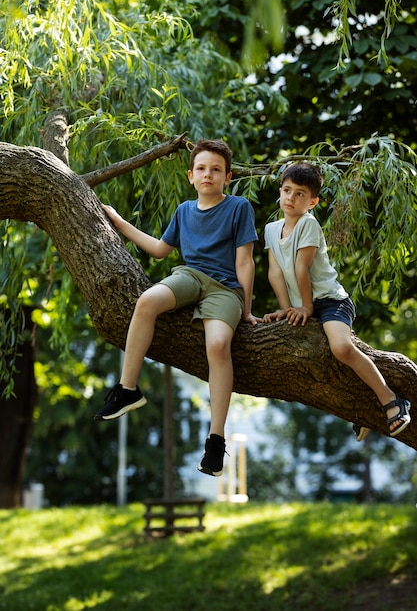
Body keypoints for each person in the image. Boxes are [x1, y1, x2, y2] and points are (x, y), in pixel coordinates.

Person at [94, 139, 261, 476]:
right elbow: (159, 250)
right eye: (201, 169)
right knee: (147, 301)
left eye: (216, 170)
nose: (208, 174)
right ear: (190, 175)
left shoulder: (239, 207)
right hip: (189, 277)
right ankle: (128, 389)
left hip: (225, 288)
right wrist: (118, 222)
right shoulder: (184, 211)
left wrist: (245, 307)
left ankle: (215, 440)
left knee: (217, 345)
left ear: (227, 177)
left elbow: (245, 262)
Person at [262, 161, 411, 441]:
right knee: (320, 361)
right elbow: (274, 273)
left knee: (341, 348)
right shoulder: (271, 229)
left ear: (313, 202)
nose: (291, 198)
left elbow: (300, 269)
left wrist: (305, 307)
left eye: (300, 194)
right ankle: (363, 411)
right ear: (279, 191)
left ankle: (393, 399)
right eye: (286, 190)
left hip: (330, 301)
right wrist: (286, 309)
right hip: (303, 304)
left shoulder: (308, 224)